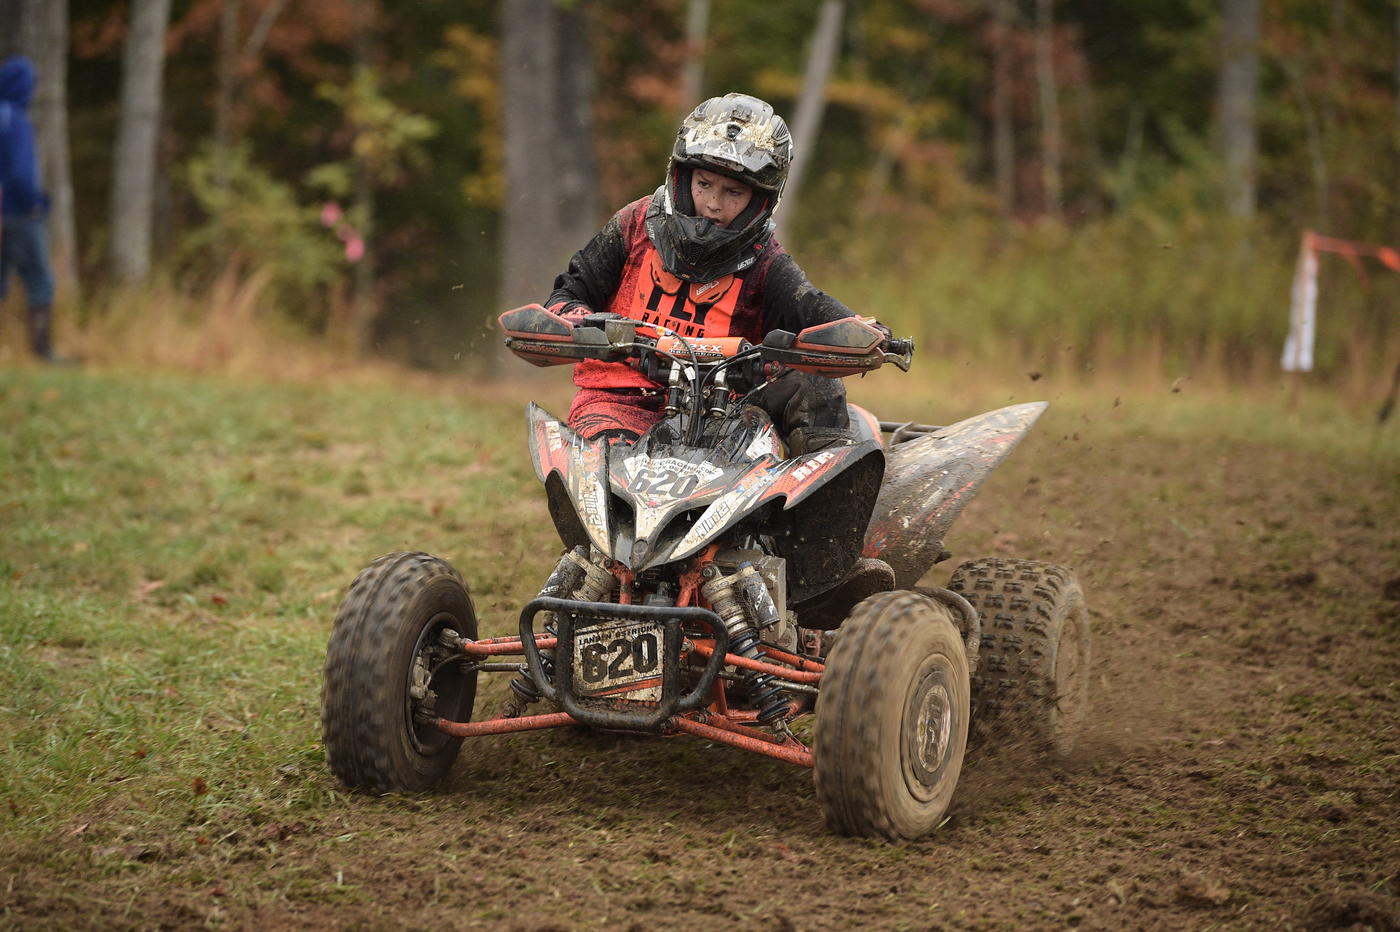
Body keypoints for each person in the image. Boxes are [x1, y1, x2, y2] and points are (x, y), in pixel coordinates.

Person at [543, 92, 887, 452]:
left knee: (816, 383)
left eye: (733, 192)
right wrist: (585, 324)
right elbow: (567, 295)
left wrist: (863, 333)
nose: (712, 204)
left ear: (760, 201)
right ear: (682, 178)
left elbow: (813, 309)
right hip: (618, 402)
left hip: (721, 414)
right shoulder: (634, 225)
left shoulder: (766, 261)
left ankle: (825, 501)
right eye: (704, 184)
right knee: (604, 457)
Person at [0, 56, 64, 363]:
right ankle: (44, 352)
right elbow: (21, 175)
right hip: (18, 213)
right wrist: (36, 204)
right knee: (39, 279)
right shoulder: (16, 120)